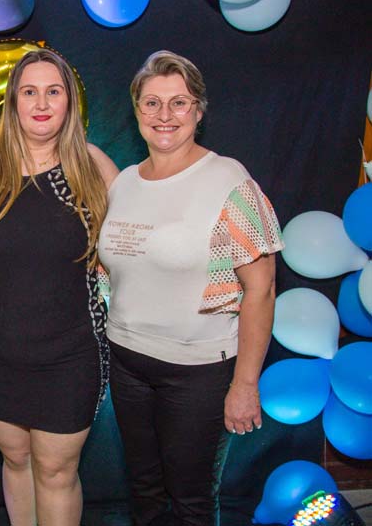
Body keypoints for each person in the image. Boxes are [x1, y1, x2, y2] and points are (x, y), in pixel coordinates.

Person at [98, 50, 284, 526]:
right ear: (136, 110)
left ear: (198, 111)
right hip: (127, 363)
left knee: (192, 502)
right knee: (143, 492)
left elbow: (261, 291)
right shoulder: (125, 183)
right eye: (152, 103)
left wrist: (245, 384)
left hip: (198, 373)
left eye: (178, 103)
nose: (165, 115)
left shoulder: (227, 181)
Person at [0, 48, 119, 526]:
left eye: (53, 91)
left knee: (56, 471)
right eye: (29, 92)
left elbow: (137, 248)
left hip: (70, 356)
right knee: (16, 461)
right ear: (12, 101)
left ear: (69, 101)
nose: (41, 103)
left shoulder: (92, 166)